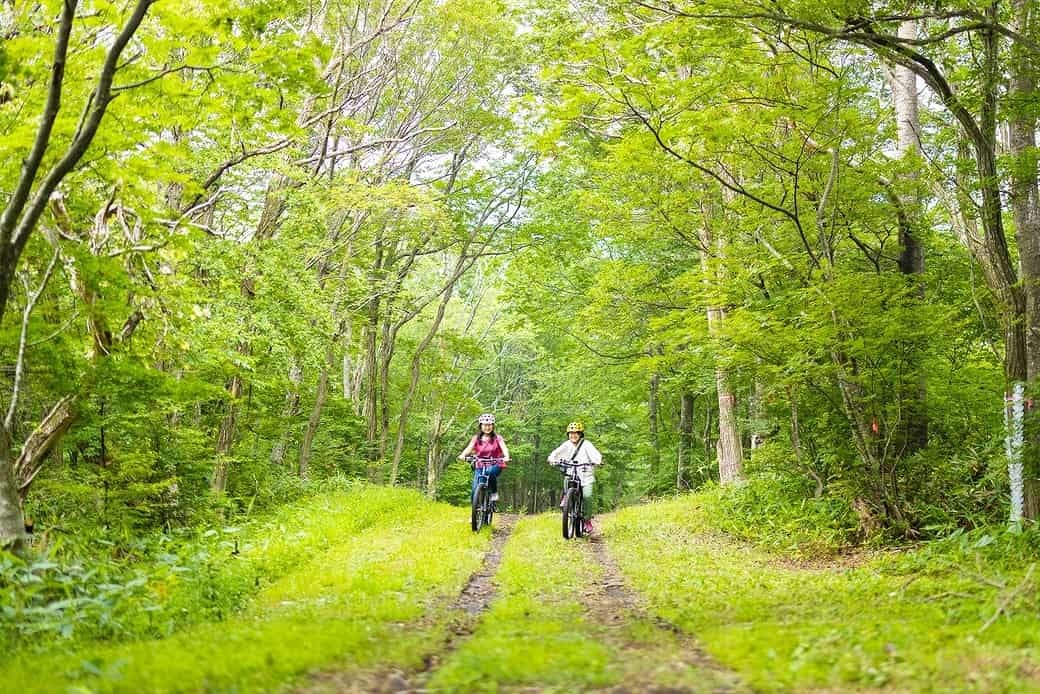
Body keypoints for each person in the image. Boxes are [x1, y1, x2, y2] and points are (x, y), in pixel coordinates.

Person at [548, 421, 602, 534]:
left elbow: (596, 455)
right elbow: (555, 453)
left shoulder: (586, 444)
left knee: (587, 496)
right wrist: (552, 459)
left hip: (586, 475)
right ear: (568, 434)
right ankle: (566, 498)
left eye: (576, 433)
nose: (573, 435)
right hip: (571, 472)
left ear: (580, 434)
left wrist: (597, 461)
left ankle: (587, 521)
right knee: (567, 480)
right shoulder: (566, 445)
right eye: (571, 433)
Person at [458, 413, 510, 503]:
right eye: (485, 425)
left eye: (489, 425)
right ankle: (475, 512)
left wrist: (506, 456)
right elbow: (469, 448)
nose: (487, 427)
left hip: (495, 464)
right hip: (480, 464)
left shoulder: (498, 438)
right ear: (480, 426)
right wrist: (463, 455)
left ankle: (494, 493)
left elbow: (504, 448)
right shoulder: (476, 438)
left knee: (489, 472)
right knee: (475, 489)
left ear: (493, 426)